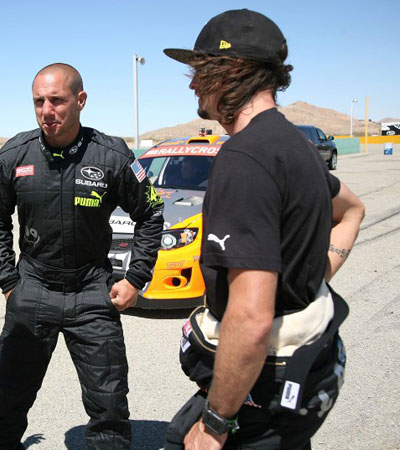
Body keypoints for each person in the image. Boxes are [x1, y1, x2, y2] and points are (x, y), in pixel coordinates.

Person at [162, 9, 365, 449]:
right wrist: (312, 278)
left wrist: (216, 424)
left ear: (233, 70)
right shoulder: (298, 146)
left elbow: (251, 317)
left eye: (200, 70)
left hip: (261, 396)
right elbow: (353, 210)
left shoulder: (245, 159)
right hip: (300, 382)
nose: (193, 83)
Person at [0, 63, 164, 450]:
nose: (47, 110)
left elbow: (151, 214)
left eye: (57, 100)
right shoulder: (14, 153)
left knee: (109, 406)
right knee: (8, 401)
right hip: (32, 290)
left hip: (92, 292)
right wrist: (8, 281)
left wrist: (135, 278)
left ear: (80, 101)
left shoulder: (111, 155)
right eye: (39, 102)